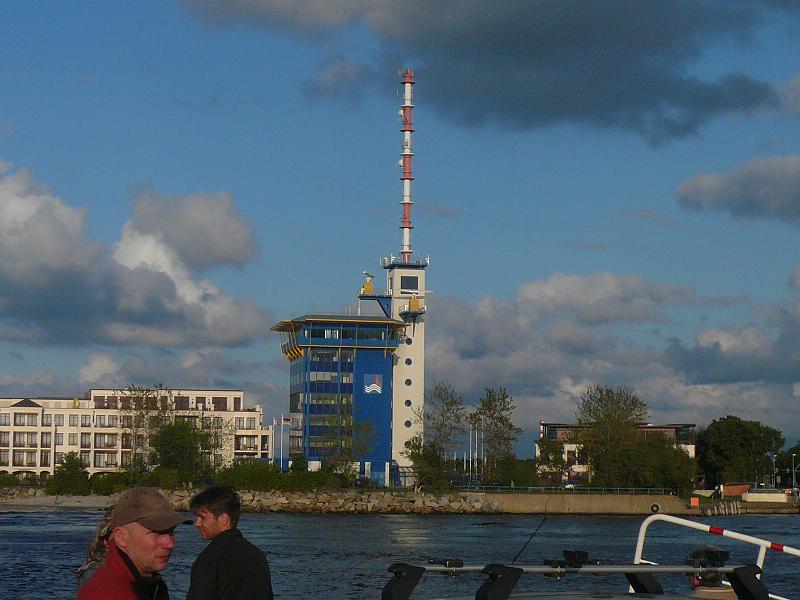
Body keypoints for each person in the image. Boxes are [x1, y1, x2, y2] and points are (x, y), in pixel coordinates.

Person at [76, 486, 187, 600]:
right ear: (121, 537)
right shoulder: (108, 592)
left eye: (171, 531)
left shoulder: (147, 584)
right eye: (157, 532)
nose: (169, 544)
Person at [187, 485, 274, 600]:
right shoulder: (258, 556)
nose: (196, 523)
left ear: (223, 519)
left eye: (202, 517)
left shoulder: (209, 559)